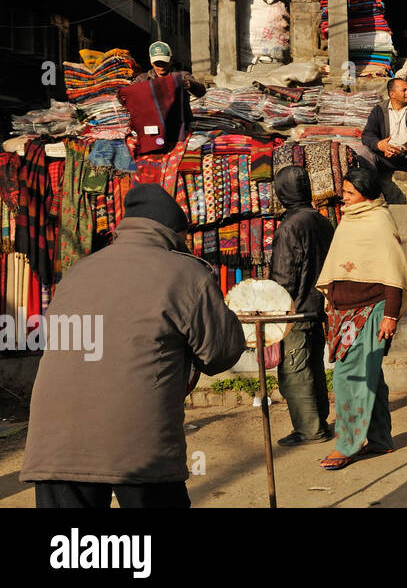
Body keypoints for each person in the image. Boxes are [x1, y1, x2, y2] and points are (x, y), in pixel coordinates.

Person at [21, 184, 245, 507]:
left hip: (54, 442)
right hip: (138, 446)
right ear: (175, 235)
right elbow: (222, 351)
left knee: (74, 554)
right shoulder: (187, 273)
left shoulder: (77, 272)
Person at [317, 166, 407, 470]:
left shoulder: (380, 222)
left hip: (371, 311)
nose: (343, 198)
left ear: (367, 194)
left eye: (349, 193)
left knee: (350, 377)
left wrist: (390, 316)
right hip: (343, 312)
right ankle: (380, 438)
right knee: (369, 374)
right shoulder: (349, 219)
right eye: (343, 192)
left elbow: (393, 275)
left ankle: (347, 443)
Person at [271, 165, 335, 446]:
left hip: (295, 309)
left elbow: (285, 276)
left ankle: (311, 430)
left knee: (295, 371)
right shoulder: (322, 221)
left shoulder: (290, 227)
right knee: (312, 368)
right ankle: (318, 421)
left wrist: (275, 310)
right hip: (317, 305)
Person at [361, 77, 407, 174]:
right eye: (404, 90)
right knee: (364, 154)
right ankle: (370, 187)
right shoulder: (379, 110)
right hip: (385, 156)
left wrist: (403, 148)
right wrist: (380, 145)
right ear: (392, 94)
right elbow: (367, 135)